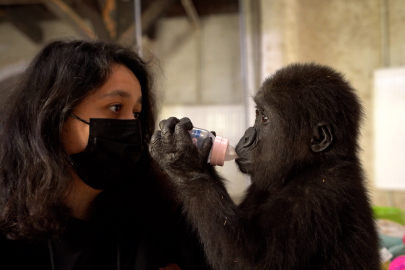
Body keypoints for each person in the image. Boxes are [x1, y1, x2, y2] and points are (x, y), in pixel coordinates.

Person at [0, 40, 210, 270]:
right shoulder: (9, 229)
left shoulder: (155, 212)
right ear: (55, 118)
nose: (132, 126)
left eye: (137, 113)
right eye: (115, 107)